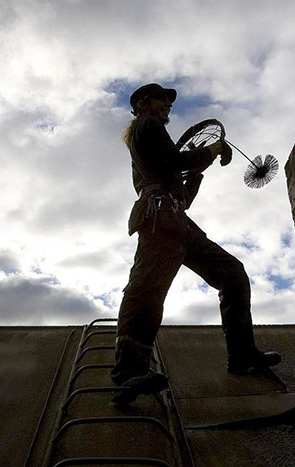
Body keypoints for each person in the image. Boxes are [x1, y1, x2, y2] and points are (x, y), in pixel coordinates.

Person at [111, 83, 280, 402]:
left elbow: (183, 197)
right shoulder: (147, 126)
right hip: (160, 217)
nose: (168, 106)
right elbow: (173, 161)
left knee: (232, 274)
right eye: (163, 99)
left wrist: (199, 170)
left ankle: (242, 355)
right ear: (144, 104)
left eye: (168, 102)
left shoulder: (153, 138)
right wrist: (212, 151)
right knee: (147, 289)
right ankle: (128, 374)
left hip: (176, 219)